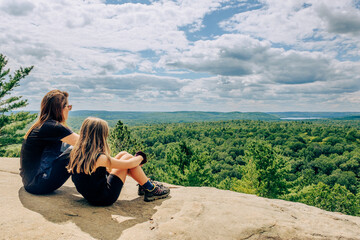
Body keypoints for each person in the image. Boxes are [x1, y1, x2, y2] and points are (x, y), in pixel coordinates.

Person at [67, 117, 170, 206]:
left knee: (123, 154)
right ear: (100, 136)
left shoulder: (78, 152)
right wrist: (141, 157)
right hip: (104, 198)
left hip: (92, 195)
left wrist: (134, 162)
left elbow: (107, 168)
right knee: (128, 158)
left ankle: (145, 185)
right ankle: (150, 189)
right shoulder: (98, 158)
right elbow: (129, 164)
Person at [20, 90, 79, 194]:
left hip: (30, 181)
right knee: (79, 149)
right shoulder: (53, 127)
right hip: (39, 184)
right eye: (68, 106)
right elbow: (88, 143)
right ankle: (95, 187)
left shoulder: (43, 125)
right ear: (59, 109)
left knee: (67, 146)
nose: (69, 110)